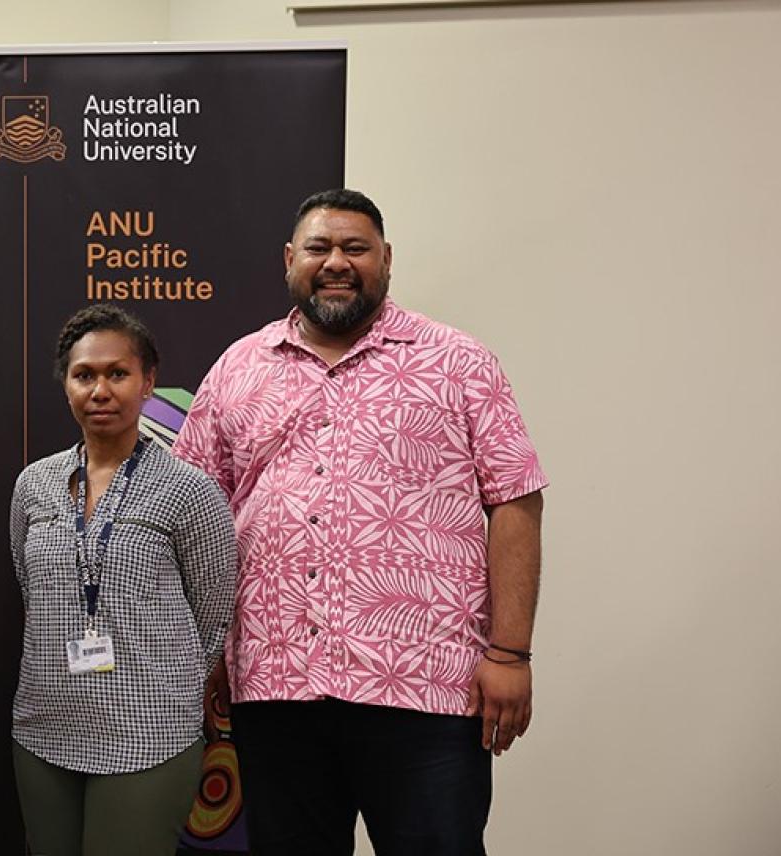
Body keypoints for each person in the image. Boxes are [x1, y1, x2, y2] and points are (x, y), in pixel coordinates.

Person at [174, 189, 548, 855]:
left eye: (356, 248)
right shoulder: (238, 368)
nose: (337, 262)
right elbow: (195, 516)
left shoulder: (458, 362)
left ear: (387, 260)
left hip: (427, 689)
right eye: (320, 248)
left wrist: (510, 652)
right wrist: (206, 654)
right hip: (276, 684)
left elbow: (515, 500)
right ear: (291, 259)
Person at [8, 304, 237, 856]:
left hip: (148, 732)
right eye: (84, 375)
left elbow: (212, 609)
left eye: (118, 373)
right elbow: (29, 585)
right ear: (66, 384)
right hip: (45, 726)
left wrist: (167, 682)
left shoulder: (189, 490)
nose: (100, 390)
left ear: (148, 382)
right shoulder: (34, 485)